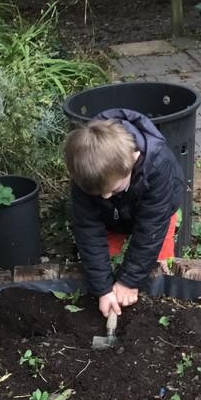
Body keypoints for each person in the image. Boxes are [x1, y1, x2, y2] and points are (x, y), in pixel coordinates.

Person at [65, 109, 184, 319]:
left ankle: (160, 306)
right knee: (102, 264)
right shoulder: (87, 172)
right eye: (98, 193)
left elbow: (150, 230)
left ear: (132, 160)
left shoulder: (158, 166)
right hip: (111, 217)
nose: (105, 196)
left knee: (160, 262)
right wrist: (104, 289)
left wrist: (128, 281)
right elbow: (88, 231)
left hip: (157, 216)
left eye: (114, 189)